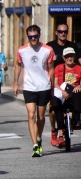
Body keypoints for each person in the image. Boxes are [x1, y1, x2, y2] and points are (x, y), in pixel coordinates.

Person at [14, 25, 55, 157]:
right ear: (28, 37)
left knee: (41, 117)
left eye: (35, 36)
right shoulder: (22, 50)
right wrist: (15, 82)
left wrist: (53, 87)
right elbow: (17, 65)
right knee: (31, 115)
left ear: (39, 35)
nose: (33, 39)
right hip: (29, 87)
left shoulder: (48, 50)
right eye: (30, 37)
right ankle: (35, 145)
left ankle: (39, 138)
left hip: (44, 86)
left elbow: (51, 68)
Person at [46, 23, 81, 146]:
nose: (63, 33)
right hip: (54, 82)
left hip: (71, 82)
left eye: (65, 31)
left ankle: (62, 136)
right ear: (56, 32)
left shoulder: (73, 46)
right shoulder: (50, 46)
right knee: (53, 110)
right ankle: (53, 131)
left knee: (69, 105)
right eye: (60, 31)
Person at [51, 47, 81, 146]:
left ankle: (76, 118)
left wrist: (79, 85)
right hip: (61, 92)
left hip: (74, 92)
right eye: (67, 56)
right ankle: (60, 125)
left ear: (74, 57)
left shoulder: (78, 68)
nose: (69, 58)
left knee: (78, 93)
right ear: (63, 58)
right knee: (54, 99)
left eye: (71, 56)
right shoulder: (59, 67)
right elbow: (55, 83)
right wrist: (62, 91)